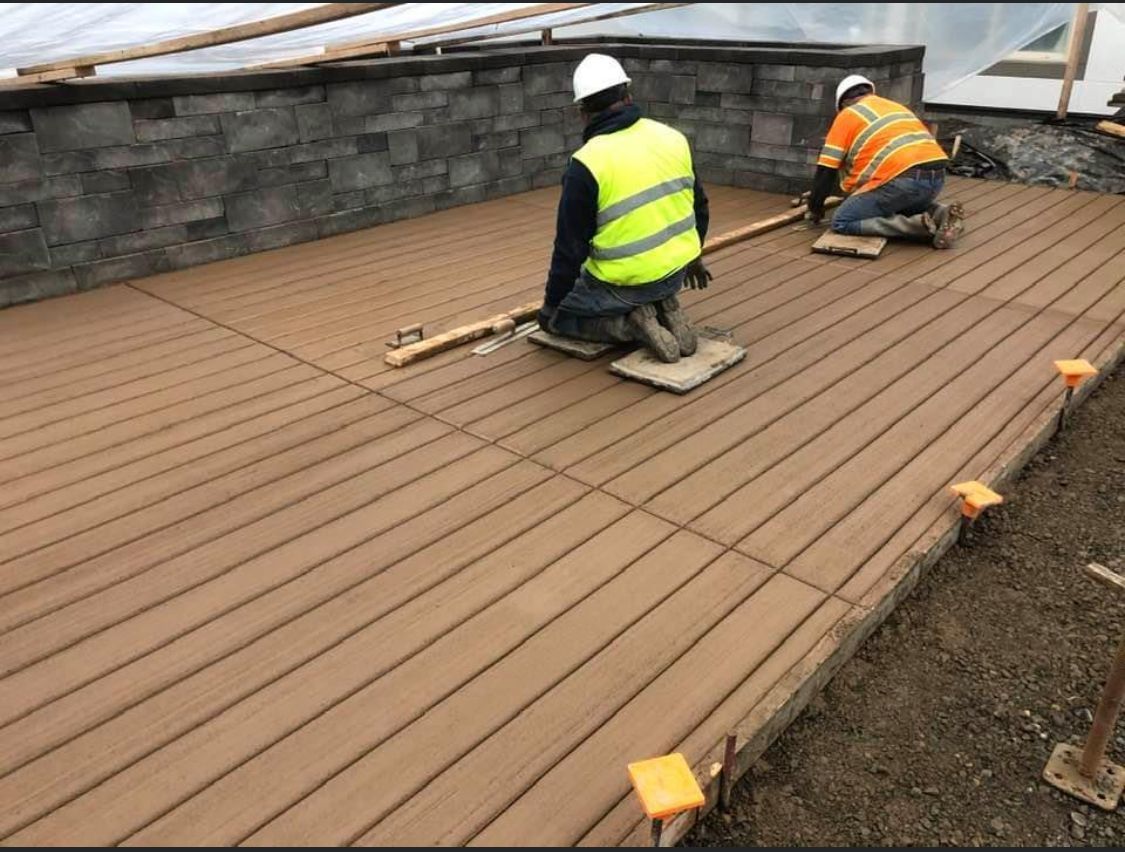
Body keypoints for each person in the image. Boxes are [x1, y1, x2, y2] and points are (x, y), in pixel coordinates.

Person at [537, 53, 713, 364]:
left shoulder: (587, 164)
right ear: (628, 94)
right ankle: (663, 308)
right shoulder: (672, 138)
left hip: (623, 286)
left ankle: (631, 326)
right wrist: (693, 256)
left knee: (563, 319)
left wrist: (552, 308)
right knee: (649, 286)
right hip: (674, 274)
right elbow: (699, 207)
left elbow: (569, 250)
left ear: (582, 112)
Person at [808, 74, 964, 249]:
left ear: (843, 103)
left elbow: (826, 170)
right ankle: (941, 212)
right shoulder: (897, 108)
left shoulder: (847, 114)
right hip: (936, 179)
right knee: (895, 203)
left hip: (902, 180)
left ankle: (916, 226)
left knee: (843, 220)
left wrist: (815, 207)